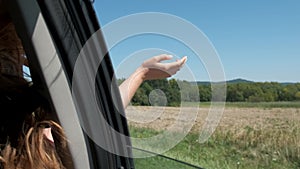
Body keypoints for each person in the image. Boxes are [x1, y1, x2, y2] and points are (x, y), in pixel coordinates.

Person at [0, 1, 187, 168]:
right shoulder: (15, 110)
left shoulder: (18, 105)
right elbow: (91, 120)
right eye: (14, 32)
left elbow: (93, 115)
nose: (22, 54)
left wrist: (141, 73)